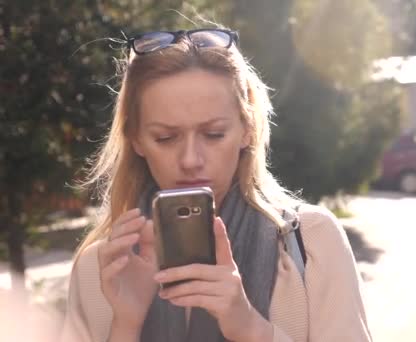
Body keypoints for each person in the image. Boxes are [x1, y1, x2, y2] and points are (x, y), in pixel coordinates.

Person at [60, 26, 371, 342]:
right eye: (165, 138)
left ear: (247, 128)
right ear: (136, 140)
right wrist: (125, 324)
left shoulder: (312, 243)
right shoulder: (99, 268)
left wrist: (250, 328)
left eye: (213, 134)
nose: (191, 159)